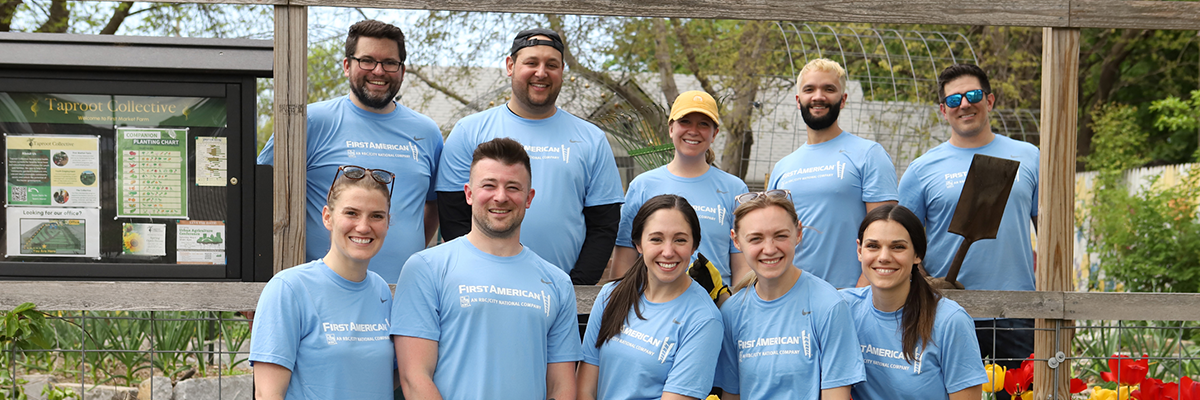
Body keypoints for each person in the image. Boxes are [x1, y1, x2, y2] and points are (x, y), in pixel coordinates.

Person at [392, 138, 580, 400]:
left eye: (513, 187)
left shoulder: (557, 283)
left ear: (529, 197)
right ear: (468, 194)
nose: (500, 197)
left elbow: (562, 388)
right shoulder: (426, 269)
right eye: (489, 185)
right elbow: (414, 378)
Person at [435, 27, 624, 285]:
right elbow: (453, 216)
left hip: (565, 294)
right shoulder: (469, 131)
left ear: (562, 71)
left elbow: (603, 226)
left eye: (552, 65)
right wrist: (479, 276)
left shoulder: (591, 138)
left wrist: (574, 289)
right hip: (482, 287)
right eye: (531, 63)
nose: (541, 73)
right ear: (510, 65)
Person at [257, 20, 442, 281]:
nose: (379, 71)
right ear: (347, 66)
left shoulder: (427, 132)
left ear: (402, 70)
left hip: (401, 295)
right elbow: (258, 193)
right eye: (367, 60)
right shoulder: (308, 122)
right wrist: (257, 274)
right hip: (319, 292)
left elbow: (432, 205)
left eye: (390, 62)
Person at [897, 64, 1038, 387]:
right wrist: (925, 283)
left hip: (1017, 309)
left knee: (1021, 395)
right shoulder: (922, 169)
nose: (965, 104)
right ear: (943, 110)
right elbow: (903, 241)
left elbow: (1050, 230)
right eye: (954, 99)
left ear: (989, 101)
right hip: (946, 310)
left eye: (973, 95)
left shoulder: (1029, 156)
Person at [250, 165, 397, 400]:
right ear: (327, 217)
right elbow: (268, 393)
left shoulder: (380, 290)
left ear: (388, 223)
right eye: (351, 213)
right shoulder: (289, 289)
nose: (363, 226)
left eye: (376, 216)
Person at [714, 190, 865, 400]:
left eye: (780, 236)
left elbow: (836, 395)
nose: (769, 249)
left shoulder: (827, 305)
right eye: (756, 238)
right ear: (736, 241)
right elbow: (732, 394)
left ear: (798, 233)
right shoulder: (732, 312)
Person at [767, 58, 898, 289]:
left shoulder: (869, 155)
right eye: (809, 89)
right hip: (790, 294)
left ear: (843, 99)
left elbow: (886, 230)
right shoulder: (782, 168)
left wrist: (862, 290)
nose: (818, 96)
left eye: (829, 89)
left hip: (849, 295)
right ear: (799, 101)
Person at [579, 194, 724, 400]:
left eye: (680, 240)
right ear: (638, 244)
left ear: (694, 246)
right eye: (656, 239)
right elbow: (585, 389)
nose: (667, 252)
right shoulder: (611, 294)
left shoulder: (704, 320)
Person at [840, 204, 988, 400]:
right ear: (859, 251)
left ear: (918, 254)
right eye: (873, 246)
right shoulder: (845, 309)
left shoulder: (950, 321)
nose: (883, 257)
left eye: (898, 247)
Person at [610, 91, 748, 288]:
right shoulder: (642, 185)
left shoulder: (734, 188)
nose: (693, 130)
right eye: (685, 122)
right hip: (654, 308)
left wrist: (734, 308)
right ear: (671, 128)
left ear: (714, 134)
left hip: (716, 307)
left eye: (703, 124)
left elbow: (742, 265)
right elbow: (625, 259)